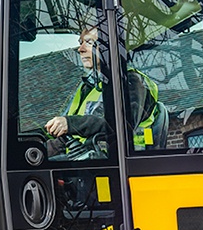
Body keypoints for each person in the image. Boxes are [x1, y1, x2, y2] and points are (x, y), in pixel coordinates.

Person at [42, 26, 162, 160]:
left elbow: (120, 124)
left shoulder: (131, 83)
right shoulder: (89, 88)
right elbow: (67, 137)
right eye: (80, 42)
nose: (80, 49)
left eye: (89, 43)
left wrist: (70, 124)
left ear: (109, 47)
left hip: (124, 161)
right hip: (84, 156)